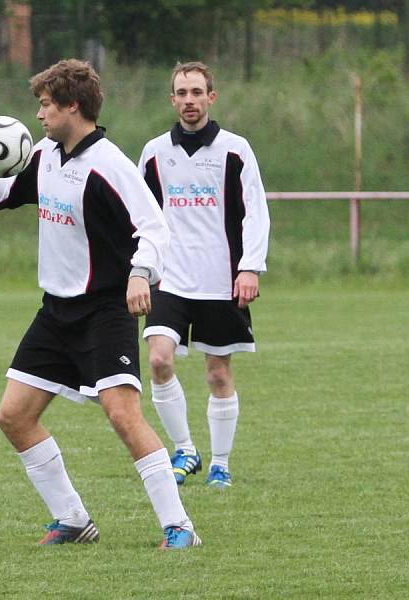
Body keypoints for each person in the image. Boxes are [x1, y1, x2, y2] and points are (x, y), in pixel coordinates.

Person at [0, 59, 200, 549]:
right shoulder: (48, 154)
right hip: (56, 312)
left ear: (74, 106)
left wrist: (140, 273)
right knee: (13, 416)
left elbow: (155, 228)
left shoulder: (108, 164)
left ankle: (180, 528)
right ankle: (72, 518)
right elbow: (9, 191)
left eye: (46, 105)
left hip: (103, 312)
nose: (40, 115)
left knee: (123, 417)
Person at [137, 61, 270, 488]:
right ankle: (185, 449)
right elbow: (139, 217)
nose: (189, 100)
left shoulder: (235, 150)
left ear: (211, 97)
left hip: (219, 278)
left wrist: (249, 266)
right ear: (172, 99)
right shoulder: (155, 152)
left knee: (217, 373)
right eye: (182, 92)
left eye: (197, 92)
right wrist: (138, 268)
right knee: (158, 359)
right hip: (169, 277)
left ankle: (220, 463)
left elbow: (255, 212)